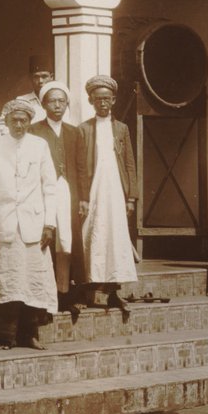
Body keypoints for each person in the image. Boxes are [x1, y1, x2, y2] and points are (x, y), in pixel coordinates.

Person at [0, 99, 58, 349]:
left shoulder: (39, 146)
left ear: (29, 121)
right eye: (14, 120)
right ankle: (5, 337)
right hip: (5, 225)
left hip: (34, 225)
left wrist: (49, 224)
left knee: (33, 280)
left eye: (23, 120)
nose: (19, 125)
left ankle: (30, 335)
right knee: (8, 279)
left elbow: (50, 187)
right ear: (6, 121)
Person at [76, 74, 138, 313]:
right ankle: (86, 289)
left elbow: (130, 164)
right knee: (91, 235)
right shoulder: (84, 129)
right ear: (91, 101)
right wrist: (83, 197)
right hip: (93, 191)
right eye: (98, 99)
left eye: (107, 99)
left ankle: (114, 292)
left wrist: (130, 197)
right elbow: (81, 166)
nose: (102, 103)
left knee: (115, 236)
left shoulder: (121, 129)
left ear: (113, 101)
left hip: (115, 191)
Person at [30, 80, 84, 311]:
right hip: (45, 193)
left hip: (69, 192)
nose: (58, 105)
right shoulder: (35, 130)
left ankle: (67, 293)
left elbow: (81, 167)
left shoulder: (74, 131)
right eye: (52, 101)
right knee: (49, 239)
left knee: (69, 241)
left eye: (62, 101)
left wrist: (83, 198)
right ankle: (47, 292)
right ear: (43, 104)